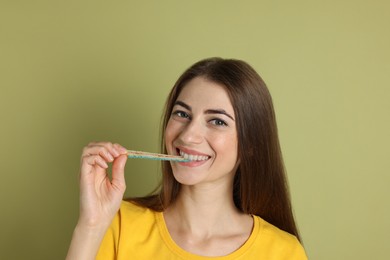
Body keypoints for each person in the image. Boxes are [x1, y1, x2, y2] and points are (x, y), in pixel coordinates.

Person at [66, 57, 308, 259]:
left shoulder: (284, 252)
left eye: (217, 121)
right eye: (182, 113)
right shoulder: (117, 223)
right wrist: (92, 224)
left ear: (251, 144)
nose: (188, 135)